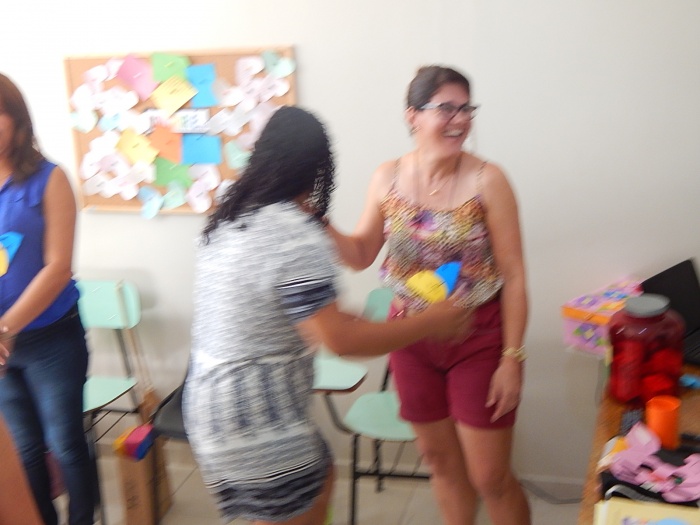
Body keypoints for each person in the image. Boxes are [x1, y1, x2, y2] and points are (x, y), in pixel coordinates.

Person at [182, 105, 472, 525]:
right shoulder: (293, 233)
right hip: (257, 419)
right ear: (317, 171)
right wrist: (432, 322)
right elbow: (340, 342)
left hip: (209, 409)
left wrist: (350, 320)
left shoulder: (230, 220)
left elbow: (293, 316)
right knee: (296, 504)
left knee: (320, 475)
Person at [325, 65, 531, 525]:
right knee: (440, 463)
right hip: (410, 338)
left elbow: (515, 275)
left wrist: (512, 358)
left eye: (466, 109)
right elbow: (361, 254)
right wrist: (318, 222)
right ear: (413, 115)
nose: (461, 120)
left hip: (478, 338)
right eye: (447, 109)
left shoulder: (488, 180)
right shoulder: (387, 177)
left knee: (490, 477)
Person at [0, 73, 94, 525]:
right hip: (3, 349)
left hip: (52, 340)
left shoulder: (48, 179)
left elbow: (58, 269)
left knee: (65, 443)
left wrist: (5, 328)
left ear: (16, 119)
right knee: (23, 449)